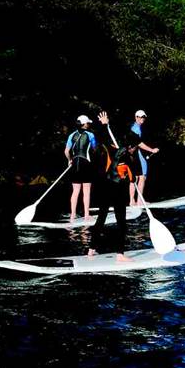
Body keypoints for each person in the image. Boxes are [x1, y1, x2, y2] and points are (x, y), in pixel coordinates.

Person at [86, 112, 143, 261]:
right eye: (135, 148)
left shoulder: (113, 150)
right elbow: (132, 179)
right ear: (130, 146)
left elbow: (104, 137)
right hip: (117, 190)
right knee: (121, 222)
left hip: (105, 187)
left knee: (101, 218)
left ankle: (91, 250)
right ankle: (120, 254)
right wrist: (132, 182)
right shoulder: (127, 156)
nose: (135, 150)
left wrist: (104, 125)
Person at [65, 115, 98, 221]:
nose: (89, 125)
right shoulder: (91, 135)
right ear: (84, 124)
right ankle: (87, 215)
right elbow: (94, 149)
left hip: (75, 165)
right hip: (86, 164)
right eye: (88, 123)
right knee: (86, 191)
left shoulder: (71, 135)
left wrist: (69, 160)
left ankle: (72, 215)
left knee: (75, 191)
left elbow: (66, 151)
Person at [128, 110, 160, 206]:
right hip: (138, 155)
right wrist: (152, 150)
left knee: (135, 178)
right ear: (136, 117)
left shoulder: (133, 127)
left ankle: (132, 201)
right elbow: (139, 143)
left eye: (143, 117)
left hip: (132, 155)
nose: (142, 119)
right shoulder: (136, 128)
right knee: (142, 177)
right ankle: (139, 201)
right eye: (140, 117)